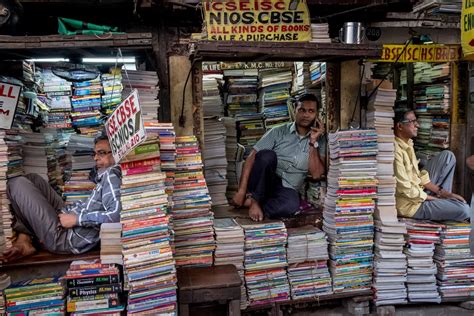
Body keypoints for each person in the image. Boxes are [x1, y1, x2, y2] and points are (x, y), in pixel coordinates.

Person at [1, 135, 121, 262]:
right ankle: (26, 237)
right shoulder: (107, 174)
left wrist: (76, 219)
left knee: (16, 183)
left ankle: (25, 239)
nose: (96, 158)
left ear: (116, 153)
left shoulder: (111, 174)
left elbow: (117, 215)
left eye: (101, 153)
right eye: (95, 153)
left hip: (65, 238)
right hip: (67, 221)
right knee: (33, 178)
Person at [232, 93, 326, 222]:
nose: (306, 115)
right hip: (266, 181)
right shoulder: (278, 131)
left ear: (317, 114)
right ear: (295, 110)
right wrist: (241, 191)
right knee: (266, 155)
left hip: (288, 187)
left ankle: (257, 203)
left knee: (290, 207)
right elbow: (251, 158)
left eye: (311, 111)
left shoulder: (320, 140)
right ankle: (254, 202)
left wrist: (312, 142)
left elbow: (316, 174)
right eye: (302, 110)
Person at [394, 109, 470, 221]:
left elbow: (419, 176)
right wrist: (436, 200)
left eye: (416, 121)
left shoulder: (408, 143)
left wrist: (445, 194)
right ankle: (443, 207)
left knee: (447, 156)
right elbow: (406, 190)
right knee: (465, 210)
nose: (417, 125)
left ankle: (444, 206)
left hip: (419, 191)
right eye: (412, 121)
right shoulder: (394, 151)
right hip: (411, 205)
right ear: (400, 126)